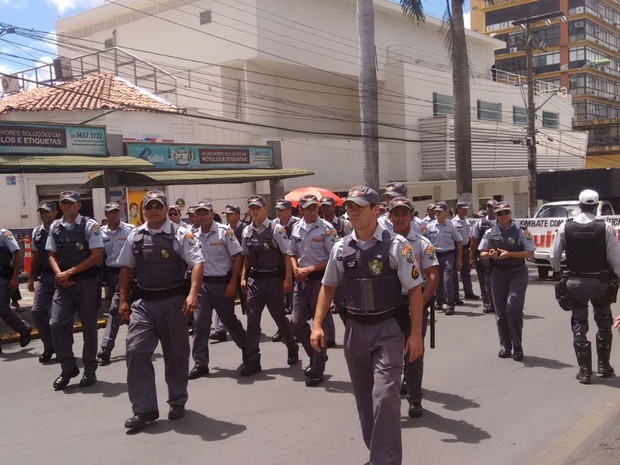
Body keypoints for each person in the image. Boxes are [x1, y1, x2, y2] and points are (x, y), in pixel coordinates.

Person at [310, 186, 424, 465]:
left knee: (386, 397)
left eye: (360, 206)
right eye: (349, 206)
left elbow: (416, 290)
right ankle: (376, 452)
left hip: (388, 329)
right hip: (355, 331)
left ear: (376, 210)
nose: (353, 211)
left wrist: (417, 334)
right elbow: (327, 287)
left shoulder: (397, 245)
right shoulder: (341, 247)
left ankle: (383, 461)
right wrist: (316, 325)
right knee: (364, 400)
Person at [117, 190, 204, 430]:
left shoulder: (181, 234)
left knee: (176, 355)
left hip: (173, 302)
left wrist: (192, 294)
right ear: (143, 209)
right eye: (149, 206)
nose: (153, 209)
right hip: (144, 303)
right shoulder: (135, 236)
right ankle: (144, 409)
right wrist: (123, 300)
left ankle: (177, 399)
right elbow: (126, 268)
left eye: (158, 205)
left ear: (166, 209)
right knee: (135, 350)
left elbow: (197, 263)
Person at [549, 189, 620, 384]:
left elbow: (554, 257)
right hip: (600, 284)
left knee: (579, 326)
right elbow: (616, 259)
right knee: (604, 323)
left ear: (579, 206)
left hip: (575, 284)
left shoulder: (565, 227)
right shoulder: (605, 228)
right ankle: (604, 366)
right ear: (596, 206)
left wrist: (557, 268)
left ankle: (585, 371)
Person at [388, 196, 439, 419]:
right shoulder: (381, 242)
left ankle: (415, 399)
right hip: (388, 306)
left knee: (414, 354)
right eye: (395, 213)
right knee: (388, 355)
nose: (400, 217)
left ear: (411, 216)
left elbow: (433, 277)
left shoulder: (422, 243)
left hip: (415, 302)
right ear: (389, 217)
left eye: (404, 213)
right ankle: (388, 401)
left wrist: (420, 302)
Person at [46, 191, 103, 390]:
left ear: (79, 205)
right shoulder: (55, 226)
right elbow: (51, 254)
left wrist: (70, 272)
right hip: (63, 284)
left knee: (89, 327)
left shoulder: (90, 225)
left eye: (71, 203)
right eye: (63, 203)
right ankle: (68, 367)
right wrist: (60, 275)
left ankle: (89, 369)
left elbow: (96, 255)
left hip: (86, 282)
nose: (67, 206)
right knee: (56, 323)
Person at [239, 195, 299, 376]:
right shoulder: (246, 231)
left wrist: (288, 279)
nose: (255, 211)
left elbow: (287, 255)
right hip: (255, 280)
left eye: (258, 207)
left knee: (279, 317)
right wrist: (243, 276)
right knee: (252, 321)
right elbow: (246, 255)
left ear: (265, 209)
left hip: (273, 279)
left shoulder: (276, 229)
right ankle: (253, 360)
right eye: (252, 208)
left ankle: (292, 345)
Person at [189, 201, 246, 380]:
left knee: (229, 321)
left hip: (222, 283)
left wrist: (232, 283)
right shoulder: (192, 235)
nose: (203, 216)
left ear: (212, 214)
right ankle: (200, 363)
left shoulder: (224, 231)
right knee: (200, 323)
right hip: (203, 286)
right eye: (199, 213)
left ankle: (250, 354)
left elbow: (237, 257)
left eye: (206, 212)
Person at [288, 194, 338, 387]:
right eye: (308, 208)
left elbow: (334, 257)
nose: (312, 210)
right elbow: (291, 252)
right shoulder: (295, 228)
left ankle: (317, 369)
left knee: (321, 325)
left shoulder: (327, 229)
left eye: (314, 207)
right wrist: (295, 269)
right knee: (297, 322)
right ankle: (317, 354)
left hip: (320, 280)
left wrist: (311, 268)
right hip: (301, 280)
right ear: (300, 209)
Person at [479, 202, 535, 362]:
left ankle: (517, 345)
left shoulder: (522, 230)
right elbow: (481, 253)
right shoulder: (490, 232)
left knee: (514, 306)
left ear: (510, 213)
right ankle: (505, 345)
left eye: (506, 213)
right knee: (500, 311)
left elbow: (530, 252)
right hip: (498, 273)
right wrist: (489, 254)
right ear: (494, 216)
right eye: (499, 214)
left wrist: (509, 254)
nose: (503, 216)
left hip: (517, 272)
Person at [97, 202, 134, 364]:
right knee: (126, 309)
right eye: (111, 212)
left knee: (115, 308)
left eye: (116, 212)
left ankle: (106, 347)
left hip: (127, 272)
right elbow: (100, 256)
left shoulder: (129, 230)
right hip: (111, 274)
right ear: (106, 215)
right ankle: (139, 339)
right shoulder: (100, 232)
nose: (114, 215)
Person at [27, 201, 57, 362]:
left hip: (61, 276)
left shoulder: (62, 228)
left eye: (47, 212)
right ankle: (49, 346)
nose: (44, 215)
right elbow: (34, 257)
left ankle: (62, 348)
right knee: (37, 311)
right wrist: (31, 278)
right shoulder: (37, 232)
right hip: (44, 277)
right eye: (42, 212)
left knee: (57, 317)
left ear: (55, 213)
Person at [0, 227, 32, 355]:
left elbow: (17, 254)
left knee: (2, 308)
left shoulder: (4, 234)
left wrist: (14, 278)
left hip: (3, 277)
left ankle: (24, 329)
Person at [427, 202, 462, 315]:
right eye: (436, 211)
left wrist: (459, 258)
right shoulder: (430, 226)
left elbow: (459, 241)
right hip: (435, 255)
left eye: (440, 212)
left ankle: (450, 305)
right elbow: (426, 242)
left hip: (448, 255)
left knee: (447, 281)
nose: (437, 213)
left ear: (446, 213)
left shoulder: (451, 225)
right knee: (437, 280)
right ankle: (439, 302)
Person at [272, 198, 300, 342]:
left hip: (295, 265)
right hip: (280, 266)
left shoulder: (297, 224)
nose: (278, 212)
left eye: (282, 209)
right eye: (277, 209)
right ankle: (282, 329)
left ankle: (295, 328)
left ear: (289, 210)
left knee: (295, 299)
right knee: (280, 302)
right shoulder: (274, 224)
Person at [470, 200, 497, 314]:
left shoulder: (501, 221)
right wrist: (471, 257)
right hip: (482, 256)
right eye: (488, 207)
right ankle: (487, 302)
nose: (490, 209)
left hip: (497, 256)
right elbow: (474, 241)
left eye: (492, 207)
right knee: (484, 280)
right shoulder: (480, 223)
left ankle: (496, 302)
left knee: (495, 280)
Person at [452, 202, 479, 303]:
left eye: (466, 209)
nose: (466, 211)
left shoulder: (466, 222)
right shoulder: (454, 222)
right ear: (458, 209)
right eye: (464, 209)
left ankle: (468, 292)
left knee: (466, 272)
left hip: (466, 248)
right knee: (454, 273)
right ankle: (455, 296)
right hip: (456, 249)